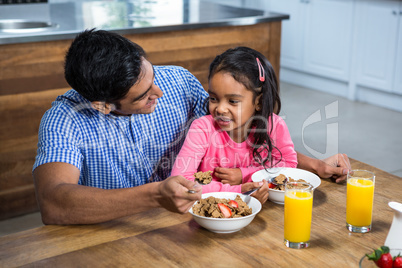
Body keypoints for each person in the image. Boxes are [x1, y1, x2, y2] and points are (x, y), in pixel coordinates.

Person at [33, 29, 350, 225]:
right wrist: (157, 195)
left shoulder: (177, 82)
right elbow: (55, 203)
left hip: (189, 220)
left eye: (152, 76)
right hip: (117, 231)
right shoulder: (64, 121)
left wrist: (311, 166)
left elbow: (238, 133)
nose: (159, 92)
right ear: (103, 105)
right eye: (144, 96)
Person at [171, 47, 297, 204]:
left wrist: (243, 174)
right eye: (213, 98)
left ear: (258, 101)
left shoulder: (274, 125)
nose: (220, 109)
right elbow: (180, 182)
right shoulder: (202, 128)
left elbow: (288, 165)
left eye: (233, 101)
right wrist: (239, 190)